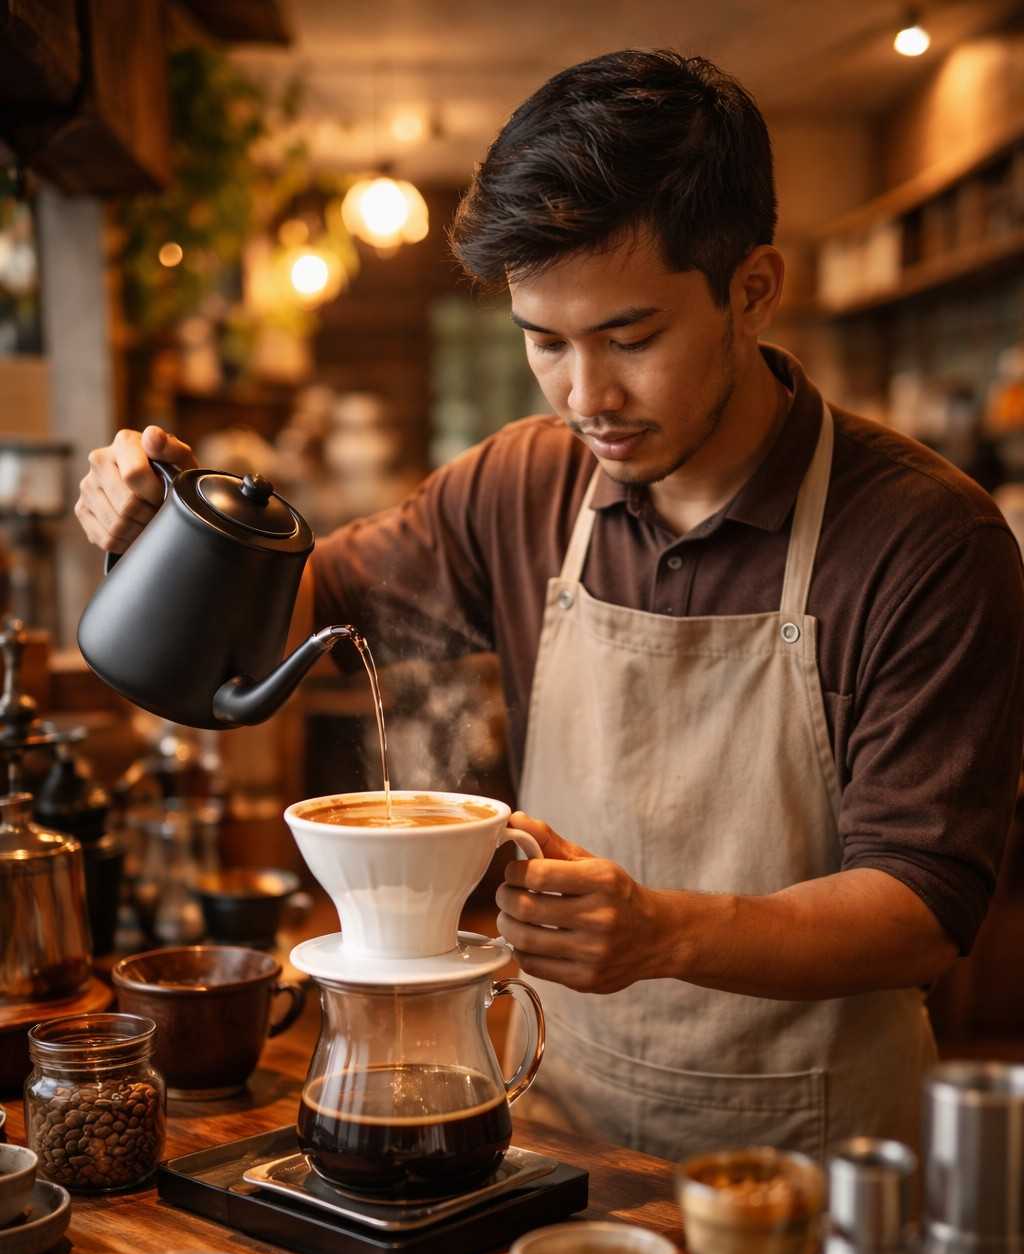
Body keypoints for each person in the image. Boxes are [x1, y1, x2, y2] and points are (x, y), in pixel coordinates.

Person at [76, 50, 1024, 1162]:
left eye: (631, 339)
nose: (586, 397)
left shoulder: (925, 537)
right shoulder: (518, 486)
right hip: (552, 1116)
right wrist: (164, 547)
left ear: (753, 289)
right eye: (543, 342)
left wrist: (665, 930)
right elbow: (296, 631)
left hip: (815, 1156)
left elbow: (921, 909)